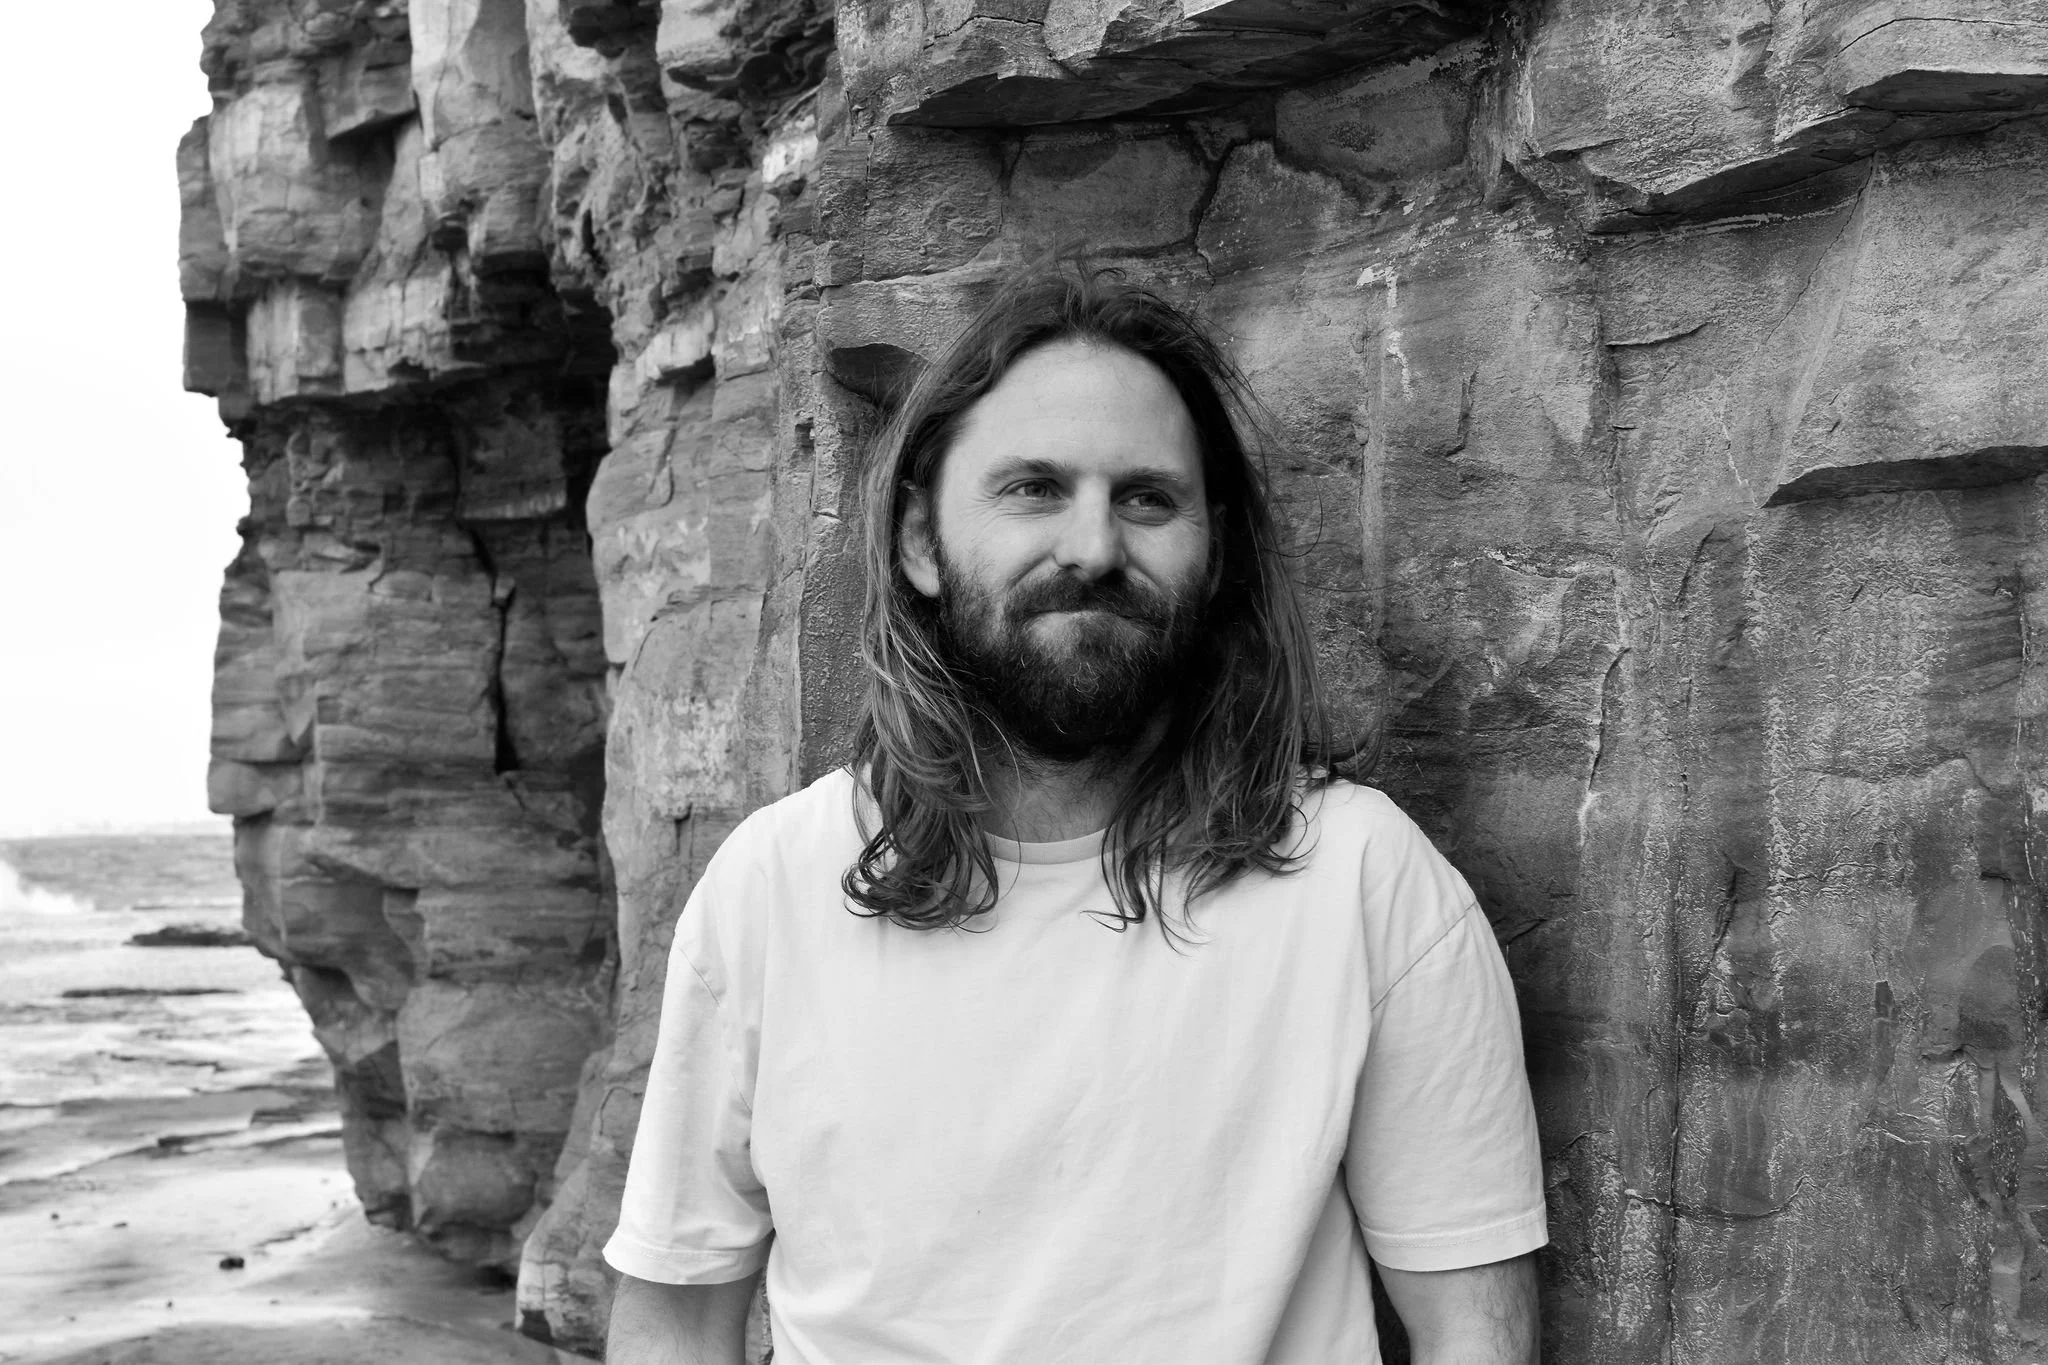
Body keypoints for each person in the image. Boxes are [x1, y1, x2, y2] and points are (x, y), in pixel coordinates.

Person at [601, 266, 1547, 1365]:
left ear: (1215, 551)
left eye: (1145, 498)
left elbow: (1475, 1330)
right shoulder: (774, 886)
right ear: (920, 542)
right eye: (1033, 489)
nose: (1094, 547)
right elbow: (674, 1319)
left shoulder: (1362, 879)